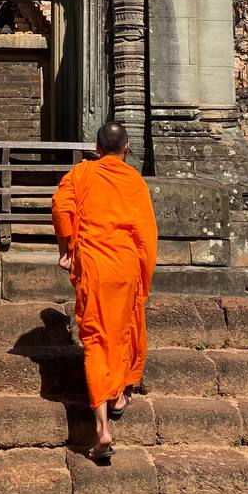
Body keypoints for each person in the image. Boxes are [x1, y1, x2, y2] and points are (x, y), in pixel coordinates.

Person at [52, 121, 158, 462]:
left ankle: (102, 428)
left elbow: (60, 207)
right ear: (126, 149)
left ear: (97, 149)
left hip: (95, 266)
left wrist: (65, 248)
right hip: (126, 267)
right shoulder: (134, 181)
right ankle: (118, 396)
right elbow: (147, 234)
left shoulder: (81, 174)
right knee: (124, 329)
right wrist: (145, 272)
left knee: (96, 340)